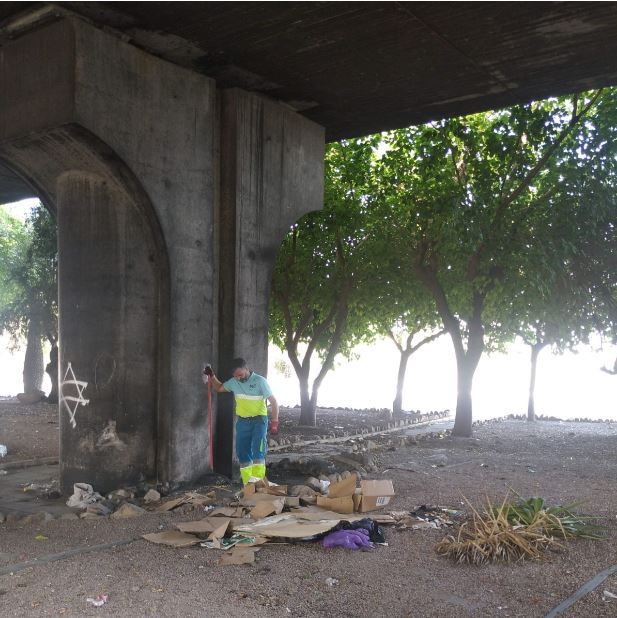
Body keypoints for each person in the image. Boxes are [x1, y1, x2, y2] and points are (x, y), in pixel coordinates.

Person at [204, 358, 279, 485]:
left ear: (247, 369)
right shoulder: (234, 382)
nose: (239, 378)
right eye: (236, 376)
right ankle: (248, 485)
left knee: (258, 452)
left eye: (241, 375)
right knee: (242, 452)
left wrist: (275, 422)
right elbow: (220, 388)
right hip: (243, 422)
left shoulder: (260, 381)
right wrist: (212, 376)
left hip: (259, 421)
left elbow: (273, 401)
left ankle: (259, 485)